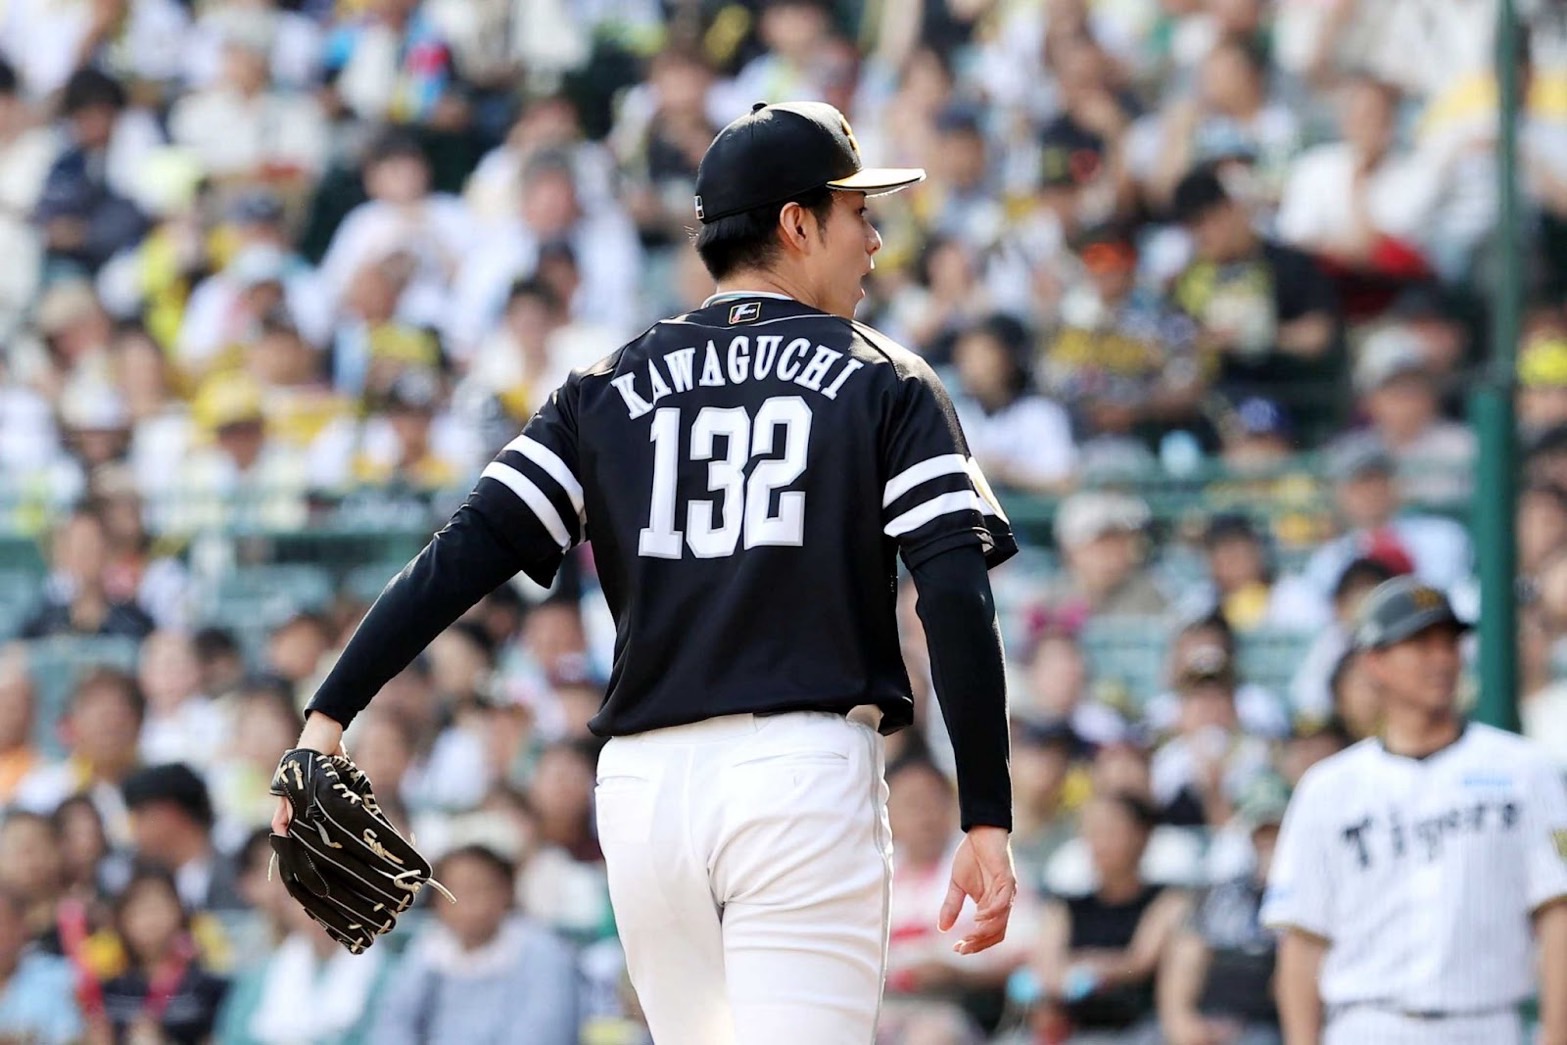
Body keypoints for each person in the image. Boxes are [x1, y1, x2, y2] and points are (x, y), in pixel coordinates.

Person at [273, 99, 1018, 1044]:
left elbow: (464, 549)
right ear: (797, 224)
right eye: (856, 212)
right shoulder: (886, 377)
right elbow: (952, 592)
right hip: (799, 775)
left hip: (642, 793)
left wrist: (330, 710)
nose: (872, 239)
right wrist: (985, 813)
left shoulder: (604, 384)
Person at [1263, 577, 1567, 1045]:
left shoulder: (1525, 771)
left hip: (1486, 1022)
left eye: (1449, 643)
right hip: (1367, 1022)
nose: (1441, 659)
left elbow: (1558, 913)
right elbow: (1302, 942)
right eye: (1420, 644)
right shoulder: (1327, 789)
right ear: (1375, 661)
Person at [371, 845, 579, 1045]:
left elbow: (543, 1033)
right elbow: (392, 1025)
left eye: (478, 889)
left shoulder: (543, 954)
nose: (465, 903)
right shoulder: (428, 950)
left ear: (507, 891)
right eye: (453, 891)